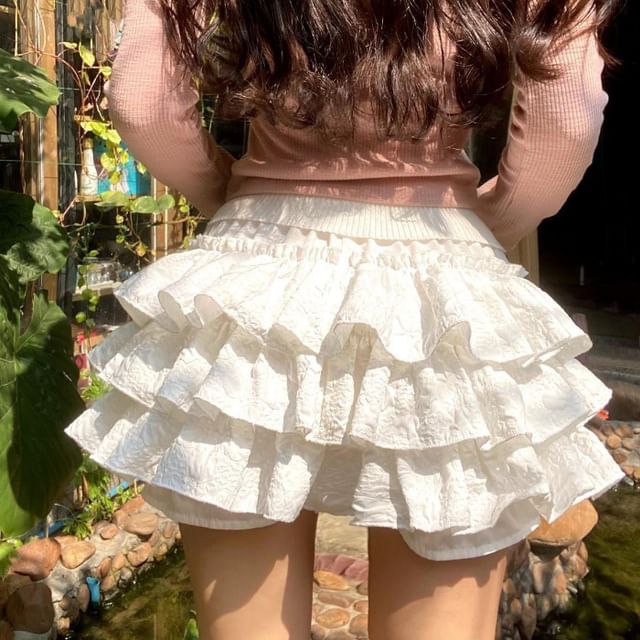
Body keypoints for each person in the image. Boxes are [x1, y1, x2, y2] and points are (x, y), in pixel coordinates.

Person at [65, 0, 625, 638]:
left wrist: (231, 194)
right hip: (440, 283)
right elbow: (563, 129)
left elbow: (143, 101)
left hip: (256, 276)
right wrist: (479, 228)